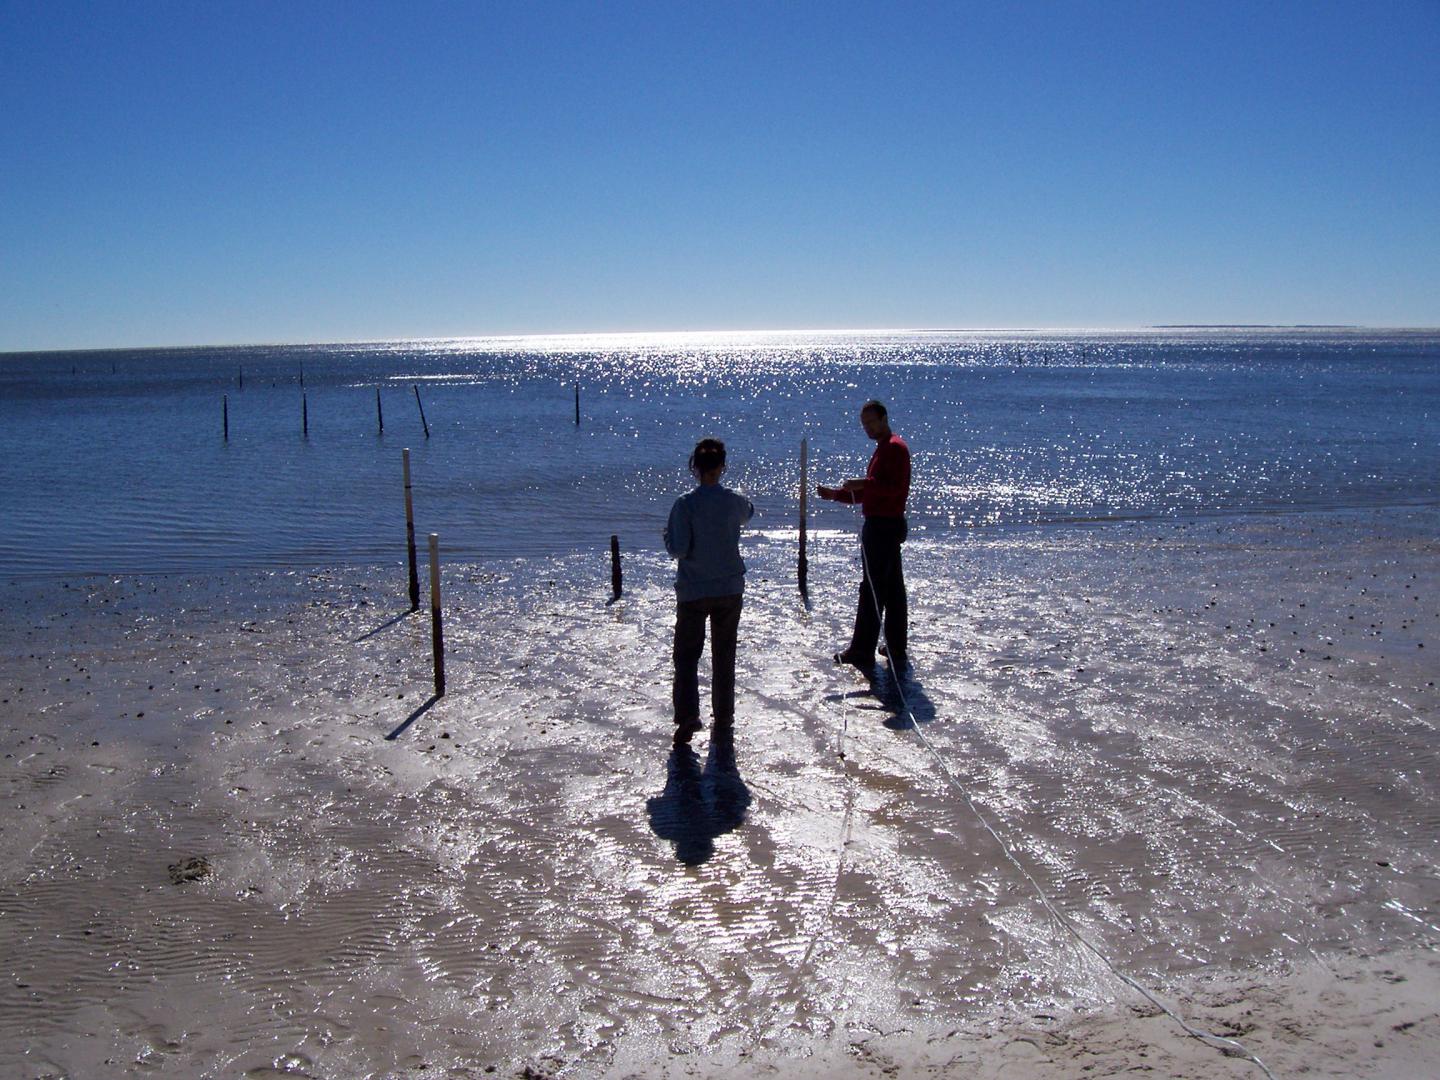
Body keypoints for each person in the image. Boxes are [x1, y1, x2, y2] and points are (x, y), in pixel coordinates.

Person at [664, 438, 756, 744]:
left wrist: (666, 537)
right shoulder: (733, 499)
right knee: (724, 654)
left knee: (687, 657)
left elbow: (678, 548)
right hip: (729, 586)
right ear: (722, 467)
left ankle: (689, 716)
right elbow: (748, 512)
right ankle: (724, 715)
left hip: (693, 589)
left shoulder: (685, 504)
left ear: (695, 468)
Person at [817, 400, 911, 673]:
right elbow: (872, 491)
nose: (868, 429)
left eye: (871, 423)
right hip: (884, 524)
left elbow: (891, 488)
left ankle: (862, 649)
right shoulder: (884, 448)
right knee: (892, 589)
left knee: (872, 588)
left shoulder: (894, 448)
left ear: (884, 418)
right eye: (864, 425)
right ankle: (895, 645)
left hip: (884, 526)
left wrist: (862, 483)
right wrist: (837, 495)